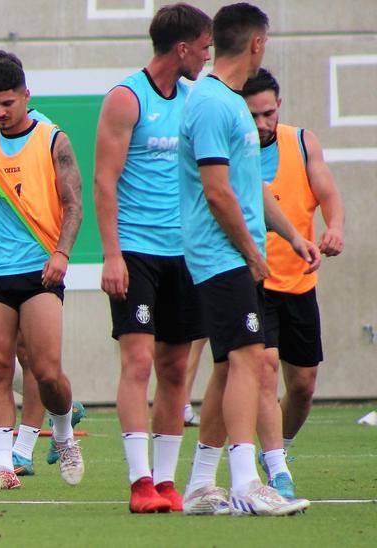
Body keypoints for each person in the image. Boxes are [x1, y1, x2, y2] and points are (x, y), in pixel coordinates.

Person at [176, 2, 319, 517]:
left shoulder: (230, 102)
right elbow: (217, 193)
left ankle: (198, 486)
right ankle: (245, 482)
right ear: (256, 43)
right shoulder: (214, 104)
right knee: (249, 360)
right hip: (220, 256)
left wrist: (293, 235)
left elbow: (248, 186)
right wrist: (252, 252)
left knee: (226, 367)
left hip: (230, 254)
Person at [93, 3, 212, 513]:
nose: (208, 57)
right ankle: (140, 481)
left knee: (175, 369)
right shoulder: (126, 98)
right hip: (137, 253)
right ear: (181, 47)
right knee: (139, 362)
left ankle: (166, 483)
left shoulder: (192, 100)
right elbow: (104, 179)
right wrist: (113, 256)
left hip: (182, 254)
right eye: (204, 48)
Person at [0, 58, 84, 492]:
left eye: (6, 104)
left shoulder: (53, 140)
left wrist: (63, 253)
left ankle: (63, 432)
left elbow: (74, 203)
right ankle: (4, 467)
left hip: (39, 269)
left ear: (26, 96)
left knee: (47, 372)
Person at [241, 67, 345, 500]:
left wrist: (334, 227)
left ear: (278, 106)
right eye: (253, 116)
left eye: (268, 113)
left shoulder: (302, 142)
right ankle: (277, 470)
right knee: (263, 373)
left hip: (299, 283)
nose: (262, 124)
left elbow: (328, 194)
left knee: (302, 387)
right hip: (252, 281)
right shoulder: (231, 149)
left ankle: (276, 451)